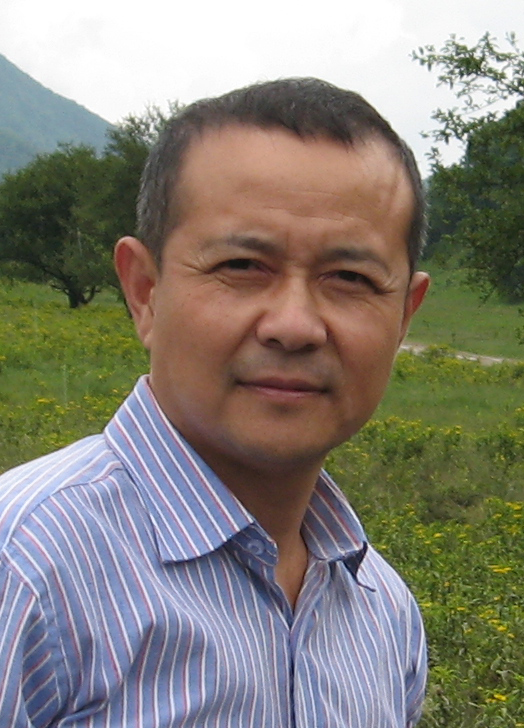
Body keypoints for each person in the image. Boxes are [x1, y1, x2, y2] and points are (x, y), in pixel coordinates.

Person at [0, 78, 430, 727]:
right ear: (145, 291)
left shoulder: (386, 616)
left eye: (350, 278)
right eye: (242, 266)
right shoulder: (28, 575)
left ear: (404, 316)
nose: (294, 325)